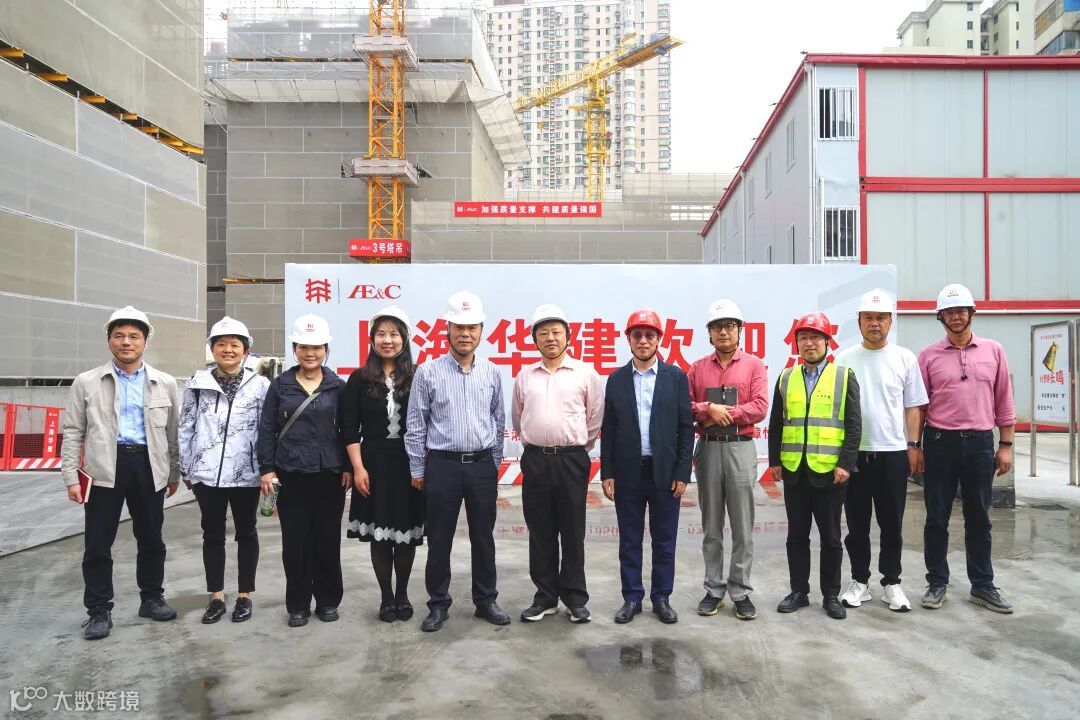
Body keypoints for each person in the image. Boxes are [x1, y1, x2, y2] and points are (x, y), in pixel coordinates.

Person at [62, 306, 181, 640]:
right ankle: (99, 611)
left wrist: (173, 473)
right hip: (103, 468)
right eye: (119, 336)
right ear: (109, 341)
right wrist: (71, 476)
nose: (126, 342)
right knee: (98, 544)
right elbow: (72, 431)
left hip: (148, 466)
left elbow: (173, 433)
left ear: (145, 341)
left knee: (152, 538)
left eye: (134, 336)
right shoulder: (87, 382)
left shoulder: (165, 383)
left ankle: (152, 598)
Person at [405, 291, 509, 633]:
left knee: (484, 537)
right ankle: (438, 604)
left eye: (472, 327)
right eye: (459, 327)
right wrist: (418, 468)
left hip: (481, 466)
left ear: (481, 331)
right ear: (447, 329)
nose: (465, 334)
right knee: (440, 539)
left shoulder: (491, 372)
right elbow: (416, 424)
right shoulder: (428, 372)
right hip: (442, 466)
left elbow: (498, 420)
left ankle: (486, 600)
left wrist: (493, 464)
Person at [918, 283, 1015, 614]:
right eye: (949, 312)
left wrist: (1006, 445)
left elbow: (1004, 399)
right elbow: (919, 406)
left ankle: (983, 585)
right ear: (940, 317)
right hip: (939, 443)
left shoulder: (993, 351)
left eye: (961, 310)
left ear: (972, 313)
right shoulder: (928, 355)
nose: (956, 317)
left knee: (979, 517)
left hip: (980, 444)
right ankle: (937, 582)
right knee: (937, 517)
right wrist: (915, 446)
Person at [834, 290, 927, 613]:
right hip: (854, 455)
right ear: (859, 321)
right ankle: (859, 581)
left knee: (892, 524)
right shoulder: (844, 359)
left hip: (892, 452)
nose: (875, 324)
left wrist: (913, 445)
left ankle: (892, 583)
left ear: (890, 321)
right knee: (856, 525)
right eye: (869, 318)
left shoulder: (904, 358)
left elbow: (913, 407)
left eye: (881, 318)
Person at [600, 309, 694, 625]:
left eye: (649, 335)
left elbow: (686, 428)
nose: (643, 341)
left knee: (664, 540)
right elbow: (609, 428)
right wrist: (607, 471)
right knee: (629, 540)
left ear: (658, 340)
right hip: (628, 472)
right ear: (628, 339)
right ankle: (632, 598)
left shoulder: (676, 378)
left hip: (664, 473)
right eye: (637, 335)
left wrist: (682, 472)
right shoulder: (616, 379)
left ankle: (661, 598)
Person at [512, 304, 604, 624]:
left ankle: (575, 599)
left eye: (556, 332)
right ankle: (545, 597)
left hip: (571, 459)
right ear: (534, 339)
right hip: (536, 459)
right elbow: (518, 416)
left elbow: (595, 417)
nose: (550, 338)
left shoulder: (585, 374)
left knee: (572, 530)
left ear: (568, 336)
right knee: (540, 531)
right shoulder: (525, 376)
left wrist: (578, 447)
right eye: (543, 333)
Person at [258, 313, 350, 628]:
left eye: (317, 347)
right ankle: (297, 604)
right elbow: (266, 429)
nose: (310, 353)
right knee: (295, 543)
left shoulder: (338, 386)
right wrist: (267, 469)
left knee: (327, 540)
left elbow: (349, 431)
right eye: (303, 347)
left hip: (329, 475)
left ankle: (328, 600)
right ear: (295, 349)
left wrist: (348, 467)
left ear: (326, 349)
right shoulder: (279, 386)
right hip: (291, 475)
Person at [768, 311, 861, 620]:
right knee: (796, 536)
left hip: (830, 472)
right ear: (796, 343)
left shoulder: (843, 376)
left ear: (827, 342)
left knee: (831, 538)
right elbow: (777, 423)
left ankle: (831, 595)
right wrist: (775, 461)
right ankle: (799, 591)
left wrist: (846, 463)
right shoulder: (786, 377)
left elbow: (853, 425)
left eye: (815, 338)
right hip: (795, 471)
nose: (809, 343)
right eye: (803, 338)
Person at [179, 317, 270, 624]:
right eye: (221, 344)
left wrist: (267, 469)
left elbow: (266, 430)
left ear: (246, 350)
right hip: (207, 476)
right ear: (212, 348)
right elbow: (186, 426)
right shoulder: (197, 384)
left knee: (247, 533)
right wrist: (187, 468)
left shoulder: (260, 386)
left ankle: (245, 595)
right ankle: (216, 597)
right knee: (212, 535)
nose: (228, 350)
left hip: (247, 474)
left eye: (234, 345)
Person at [687, 299, 768, 621]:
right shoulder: (697, 368)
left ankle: (741, 591)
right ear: (709, 333)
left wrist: (727, 413)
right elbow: (686, 406)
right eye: (717, 327)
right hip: (708, 448)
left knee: (742, 526)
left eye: (730, 326)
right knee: (711, 526)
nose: (724, 332)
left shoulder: (754, 366)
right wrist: (707, 409)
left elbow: (760, 406)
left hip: (740, 448)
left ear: (739, 331)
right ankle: (714, 589)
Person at [342, 306, 424, 623]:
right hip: (372, 463)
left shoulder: (418, 376)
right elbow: (350, 427)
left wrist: (421, 467)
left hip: (408, 463)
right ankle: (386, 597)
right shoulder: (359, 379)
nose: (387, 340)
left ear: (404, 339)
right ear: (372, 339)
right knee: (379, 534)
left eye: (394, 334)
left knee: (405, 532)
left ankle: (402, 594)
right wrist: (358, 468)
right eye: (381, 334)